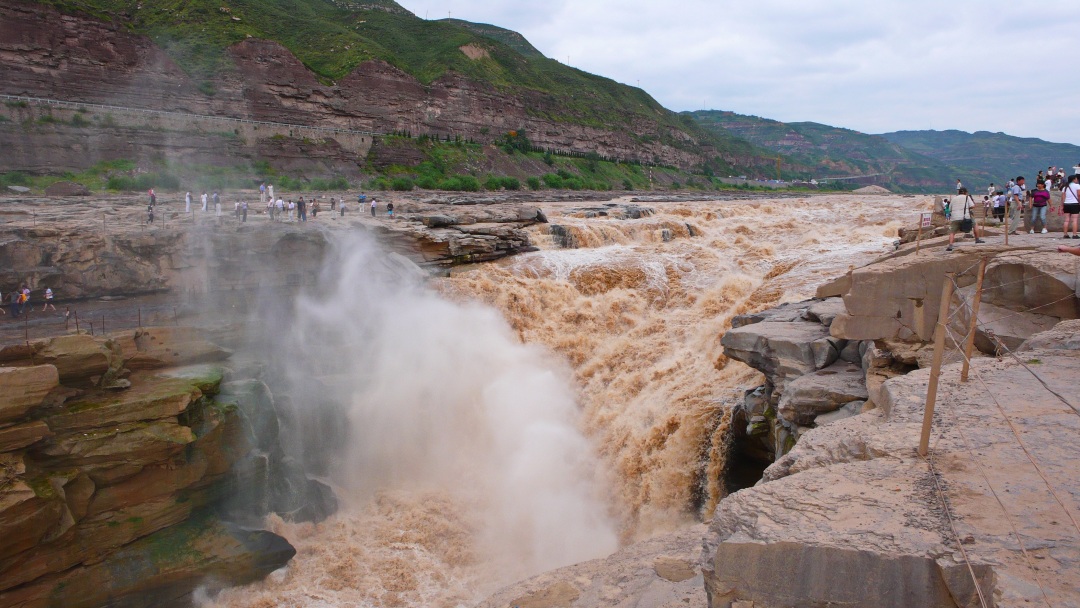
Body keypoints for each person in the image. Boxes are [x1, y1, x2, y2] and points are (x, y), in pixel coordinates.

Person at [1063, 175, 1080, 239]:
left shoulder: (1065, 187)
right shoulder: (1077, 186)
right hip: (1075, 204)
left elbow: (1063, 197)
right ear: (1074, 179)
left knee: (1066, 220)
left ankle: (1065, 234)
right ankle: (1074, 234)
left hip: (1066, 204)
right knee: (1074, 220)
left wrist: (1062, 205)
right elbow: (1079, 195)